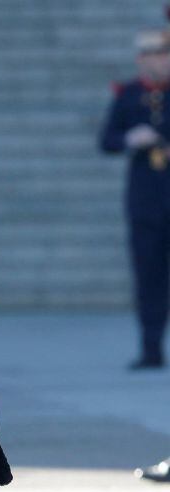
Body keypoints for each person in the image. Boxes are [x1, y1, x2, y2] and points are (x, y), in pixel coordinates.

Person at [100, 24, 170, 369]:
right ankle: (151, 348)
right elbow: (107, 140)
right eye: (150, 55)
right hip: (146, 202)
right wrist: (131, 138)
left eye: (162, 54)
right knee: (149, 278)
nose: (156, 62)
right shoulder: (128, 94)